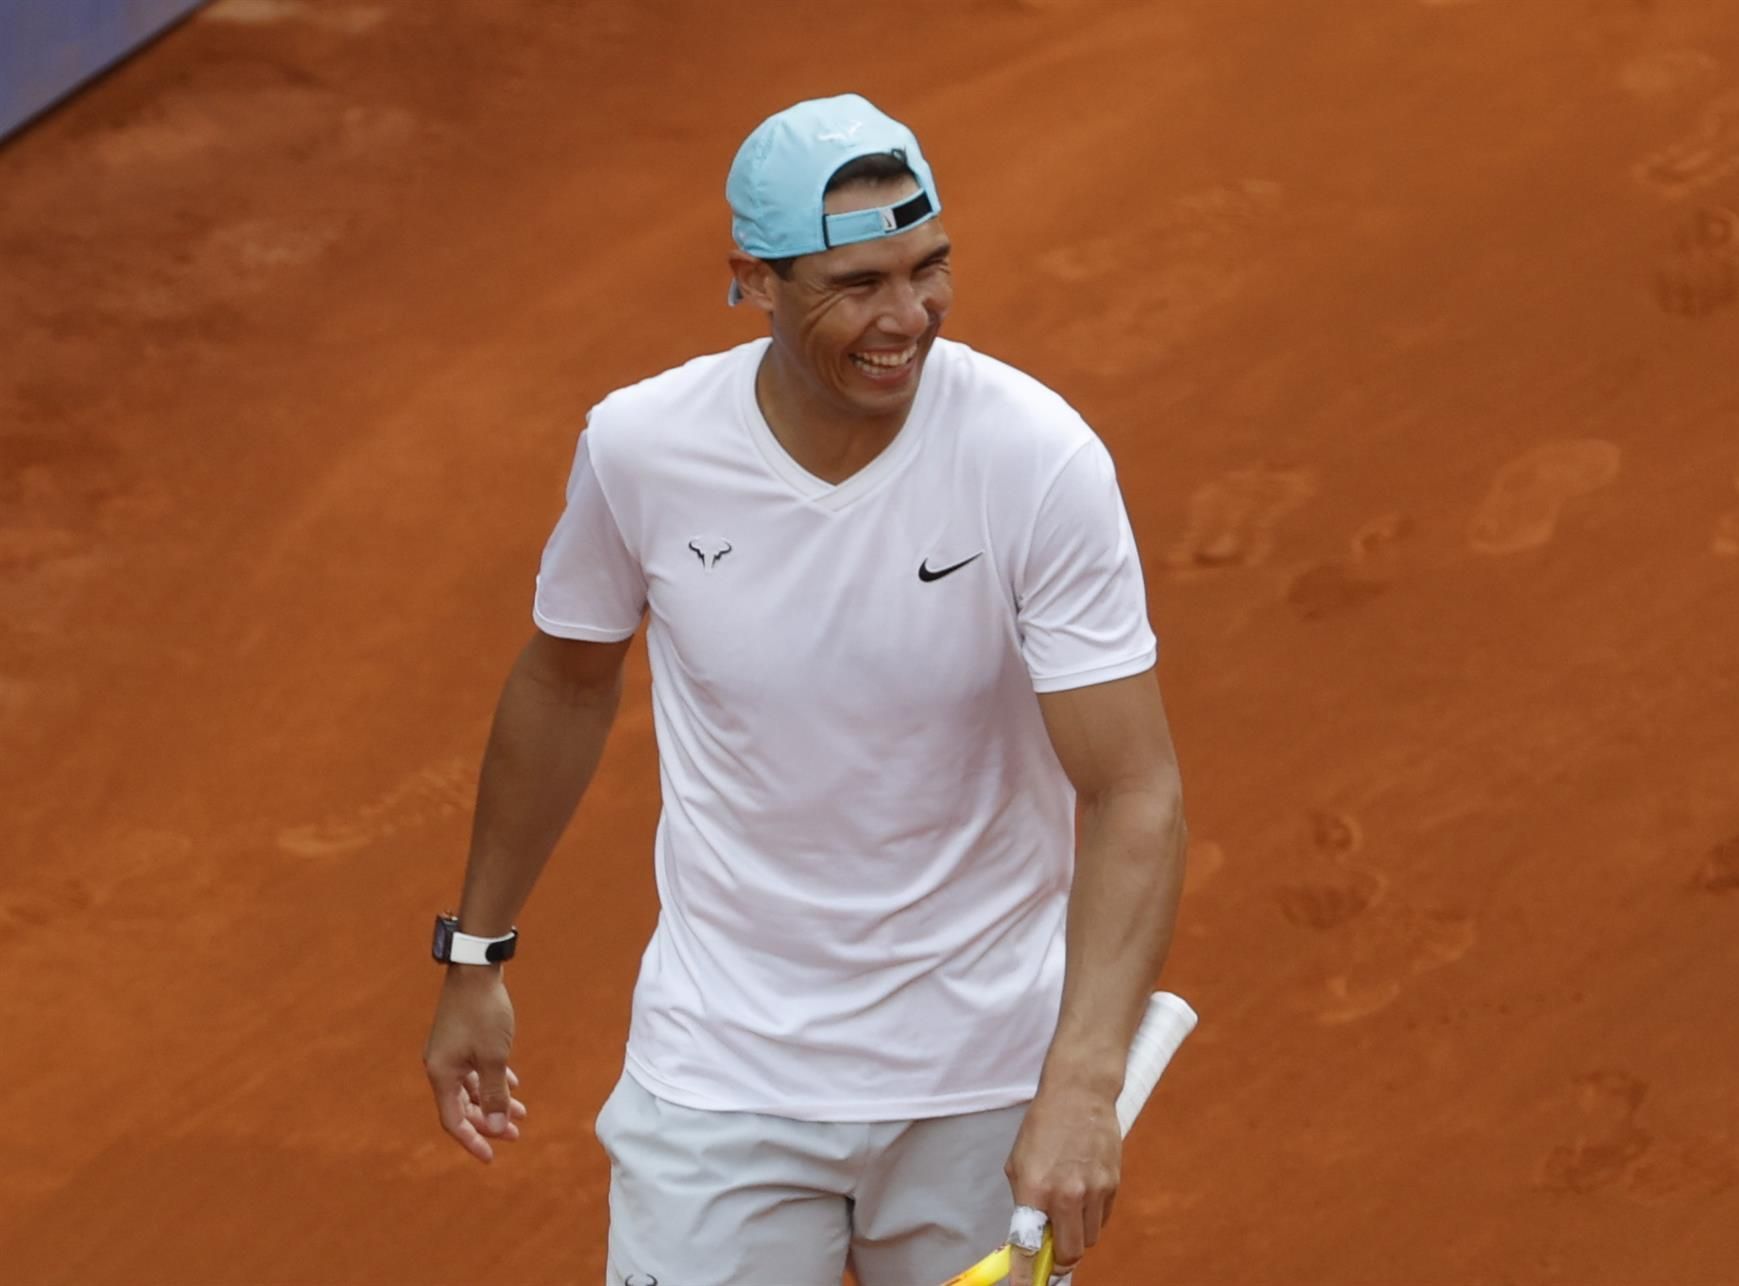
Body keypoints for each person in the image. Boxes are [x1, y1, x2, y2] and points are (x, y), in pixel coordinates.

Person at [421, 92, 1187, 1286]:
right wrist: (477, 952)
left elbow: (1133, 787)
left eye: (929, 270)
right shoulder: (643, 449)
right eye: (857, 284)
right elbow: (566, 683)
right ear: (753, 280)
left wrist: (1082, 1083)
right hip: (725, 1068)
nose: (907, 318)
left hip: (979, 1079)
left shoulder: (1035, 460)